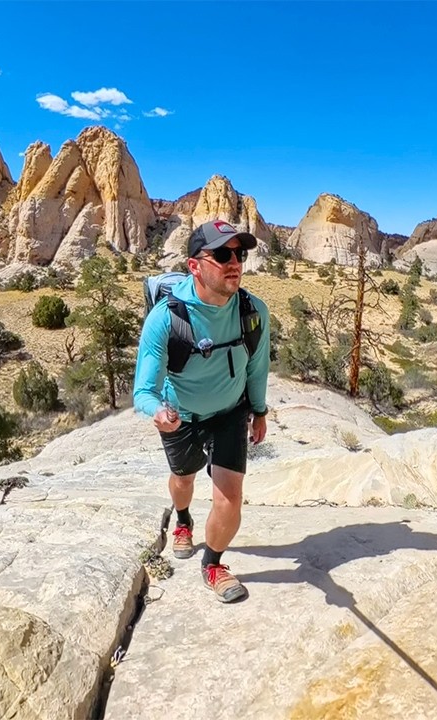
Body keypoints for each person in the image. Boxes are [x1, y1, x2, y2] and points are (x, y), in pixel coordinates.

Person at [132, 220, 271, 603]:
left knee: (230, 496)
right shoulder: (166, 318)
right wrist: (158, 410)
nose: (235, 263)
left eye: (240, 254)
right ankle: (183, 520)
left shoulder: (253, 311)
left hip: (229, 412)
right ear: (195, 266)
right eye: (223, 254)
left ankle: (213, 564)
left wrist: (258, 412)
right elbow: (142, 390)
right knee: (183, 479)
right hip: (180, 415)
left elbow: (256, 369)